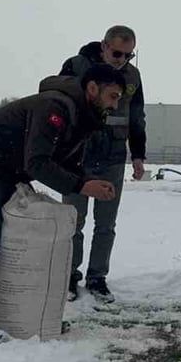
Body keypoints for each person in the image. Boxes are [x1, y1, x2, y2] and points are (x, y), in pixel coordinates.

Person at [0, 65, 126, 346]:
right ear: (92, 88)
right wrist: (82, 186)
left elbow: (67, 162)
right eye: (112, 96)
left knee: (14, 241)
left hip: (8, 170)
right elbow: (38, 162)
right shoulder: (54, 108)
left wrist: (89, 180)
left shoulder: (82, 116)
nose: (115, 104)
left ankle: (26, 316)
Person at [58, 25, 147, 304]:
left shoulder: (132, 76)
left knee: (106, 224)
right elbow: (60, 104)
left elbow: (136, 116)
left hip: (113, 158)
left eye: (128, 55)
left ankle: (98, 277)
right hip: (78, 156)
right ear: (104, 46)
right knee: (73, 220)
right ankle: (69, 276)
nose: (122, 60)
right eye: (117, 53)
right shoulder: (77, 66)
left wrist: (138, 155)